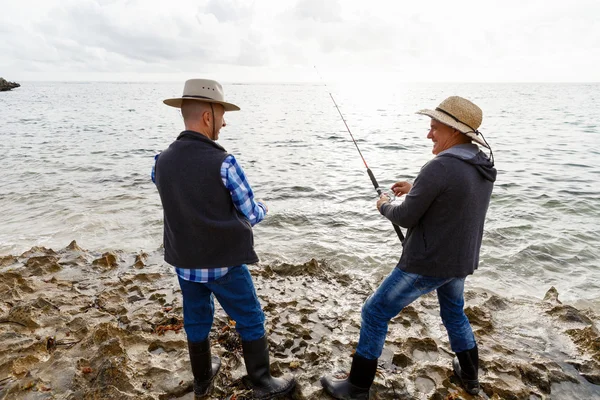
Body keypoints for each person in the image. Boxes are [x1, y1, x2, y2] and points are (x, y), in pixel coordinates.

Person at [320, 96, 497, 399]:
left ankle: (357, 387)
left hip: (427, 262)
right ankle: (470, 377)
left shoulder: (440, 166)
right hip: (460, 260)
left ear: (454, 131)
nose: (429, 134)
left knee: (374, 312)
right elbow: (454, 198)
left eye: (434, 128)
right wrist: (416, 188)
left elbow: (405, 217)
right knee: (454, 312)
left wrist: (384, 205)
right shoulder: (480, 164)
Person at [153, 79, 296, 399]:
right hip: (224, 264)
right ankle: (262, 383)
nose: (225, 121)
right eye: (222, 113)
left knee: (196, 318)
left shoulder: (160, 160)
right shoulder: (224, 162)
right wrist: (264, 208)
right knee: (250, 318)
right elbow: (248, 212)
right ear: (207, 117)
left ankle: (203, 379)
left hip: (184, 261)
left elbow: (173, 194)